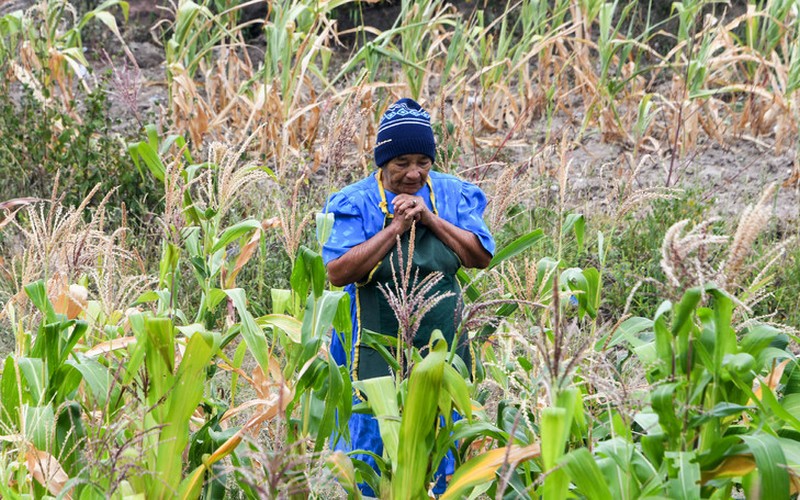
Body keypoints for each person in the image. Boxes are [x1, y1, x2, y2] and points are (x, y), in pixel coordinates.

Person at [322, 97, 495, 496]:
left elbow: (480, 255)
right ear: (382, 162)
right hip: (372, 344)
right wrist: (396, 228)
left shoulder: (453, 194)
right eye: (402, 163)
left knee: (438, 438)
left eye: (424, 161)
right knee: (373, 437)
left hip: (440, 343)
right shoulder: (354, 202)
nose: (414, 173)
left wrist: (429, 217)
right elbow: (338, 272)